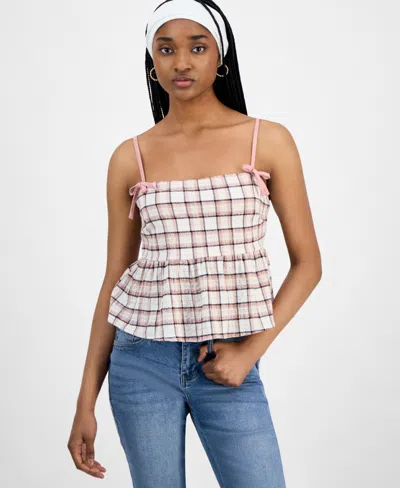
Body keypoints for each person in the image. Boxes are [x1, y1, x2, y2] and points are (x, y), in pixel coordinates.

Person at [67, 0, 322, 486]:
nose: (181, 62)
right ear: (152, 61)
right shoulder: (131, 157)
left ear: (220, 58)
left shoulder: (266, 141)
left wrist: (248, 353)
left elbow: (308, 263)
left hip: (227, 360)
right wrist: (85, 402)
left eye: (197, 48)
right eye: (166, 50)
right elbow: (115, 278)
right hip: (139, 363)